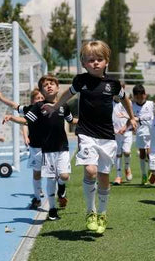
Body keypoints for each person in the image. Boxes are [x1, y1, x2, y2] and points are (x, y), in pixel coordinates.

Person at [42, 40, 137, 234]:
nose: (95, 63)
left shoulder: (113, 84)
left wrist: (132, 117)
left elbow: (125, 99)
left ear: (106, 61)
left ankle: (102, 213)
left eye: (99, 59)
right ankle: (90, 211)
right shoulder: (81, 81)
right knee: (91, 171)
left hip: (107, 136)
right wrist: (55, 106)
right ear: (84, 63)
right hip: (86, 133)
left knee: (103, 177)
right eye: (90, 60)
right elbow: (67, 95)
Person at [3, 75, 77, 220]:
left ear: (57, 87)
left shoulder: (64, 106)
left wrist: (88, 123)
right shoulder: (38, 107)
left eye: (52, 84)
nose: (49, 86)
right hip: (47, 150)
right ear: (42, 92)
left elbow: (71, 120)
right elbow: (24, 118)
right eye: (45, 85)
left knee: (64, 176)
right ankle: (52, 208)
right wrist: (11, 117)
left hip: (62, 147)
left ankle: (61, 188)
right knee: (50, 179)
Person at [0, 88, 46, 209]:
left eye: (41, 98)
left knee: (54, 174)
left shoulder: (49, 109)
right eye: (37, 98)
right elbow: (16, 109)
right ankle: (37, 197)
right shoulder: (29, 110)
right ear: (32, 101)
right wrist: (1, 98)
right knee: (37, 172)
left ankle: (58, 193)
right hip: (35, 147)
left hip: (50, 146)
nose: (40, 100)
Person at [132, 84, 154, 185]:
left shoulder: (150, 104)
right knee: (142, 153)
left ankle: (150, 169)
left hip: (151, 132)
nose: (140, 98)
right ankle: (144, 174)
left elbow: (153, 116)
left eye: (141, 96)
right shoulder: (133, 106)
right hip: (140, 132)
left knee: (149, 153)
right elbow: (131, 119)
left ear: (145, 95)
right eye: (137, 96)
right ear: (134, 96)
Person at [112, 96, 133, 185]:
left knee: (127, 152)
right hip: (115, 133)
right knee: (118, 154)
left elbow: (131, 117)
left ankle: (127, 168)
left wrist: (125, 127)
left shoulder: (127, 102)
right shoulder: (109, 103)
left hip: (127, 131)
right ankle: (118, 176)